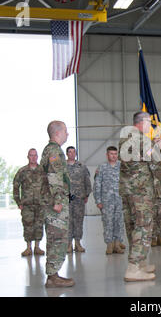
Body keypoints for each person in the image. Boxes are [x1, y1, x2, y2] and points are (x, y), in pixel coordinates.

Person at [119, 111, 161, 282]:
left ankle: (139, 263)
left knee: (134, 226)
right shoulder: (141, 138)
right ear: (143, 122)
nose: (151, 126)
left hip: (129, 191)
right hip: (140, 193)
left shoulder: (126, 138)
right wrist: (159, 147)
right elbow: (153, 160)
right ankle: (133, 267)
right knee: (142, 227)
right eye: (149, 122)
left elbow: (139, 158)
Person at [40, 120, 74, 288]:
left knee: (58, 237)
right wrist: (59, 201)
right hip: (55, 204)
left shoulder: (53, 150)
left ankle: (54, 274)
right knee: (57, 238)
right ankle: (53, 277)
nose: (67, 134)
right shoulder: (54, 151)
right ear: (58, 133)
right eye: (66, 131)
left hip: (54, 200)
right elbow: (54, 177)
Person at [13, 148, 46, 257]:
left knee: (39, 225)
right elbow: (16, 186)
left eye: (35, 155)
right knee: (28, 225)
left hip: (40, 204)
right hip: (27, 204)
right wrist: (18, 201)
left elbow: (47, 186)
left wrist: (46, 200)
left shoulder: (42, 171)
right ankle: (28, 248)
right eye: (31, 155)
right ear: (28, 157)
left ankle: (37, 247)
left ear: (37, 157)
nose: (33, 157)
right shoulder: (22, 171)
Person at [93, 146, 126, 255]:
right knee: (108, 223)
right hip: (106, 201)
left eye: (115, 154)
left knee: (119, 223)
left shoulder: (122, 167)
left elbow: (126, 183)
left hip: (120, 200)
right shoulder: (102, 168)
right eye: (111, 154)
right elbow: (97, 184)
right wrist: (98, 200)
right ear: (107, 155)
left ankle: (117, 244)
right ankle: (109, 245)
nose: (114, 156)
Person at [66, 146, 92, 253]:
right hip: (67, 199)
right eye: (70, 152)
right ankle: (68, 244)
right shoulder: (63, 167)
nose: (72, 154)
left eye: (73, 152)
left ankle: (77, 243)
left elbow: (87, 181)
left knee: (78, 221)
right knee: (68, 221)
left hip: (79, 199)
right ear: (67, 154)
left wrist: (86, 195)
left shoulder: (82, 166)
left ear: (76, 154)